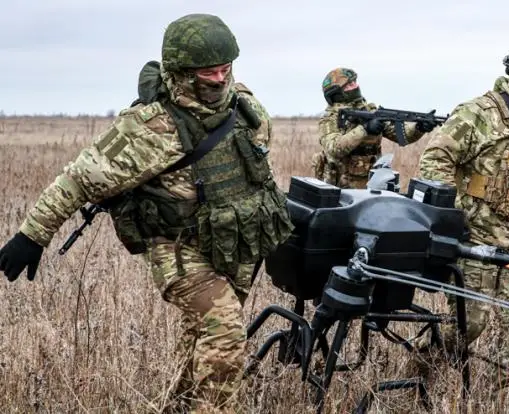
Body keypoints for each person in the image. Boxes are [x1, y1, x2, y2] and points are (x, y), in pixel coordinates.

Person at [0, 13, 294, 414]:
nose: (220, 79)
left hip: (235, 244)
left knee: (201, 340)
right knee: (225, 332)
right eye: (209, 72)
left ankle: (178, 405)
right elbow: (79, 180)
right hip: (180, 250)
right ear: (181, 73)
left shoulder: (245, 107)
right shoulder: (150, 129)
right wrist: (32, 236)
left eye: (226, 69)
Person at [413, 43, 509, 405]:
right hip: (474, 243)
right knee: (466, 327)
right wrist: (454, 221)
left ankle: (502, 402)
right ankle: (420, 372)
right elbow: (434, 162)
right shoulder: (478, 114)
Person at [312, 67, 436, 189]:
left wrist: (419, 127)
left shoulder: (370, 111)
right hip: (341, 187)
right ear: (337, 94)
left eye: (354, 82)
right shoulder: (330, 119)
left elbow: (400, 136)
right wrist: (365, 129)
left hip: (373, 184)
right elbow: (334, 148)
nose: (355, 86)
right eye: (348, 85)